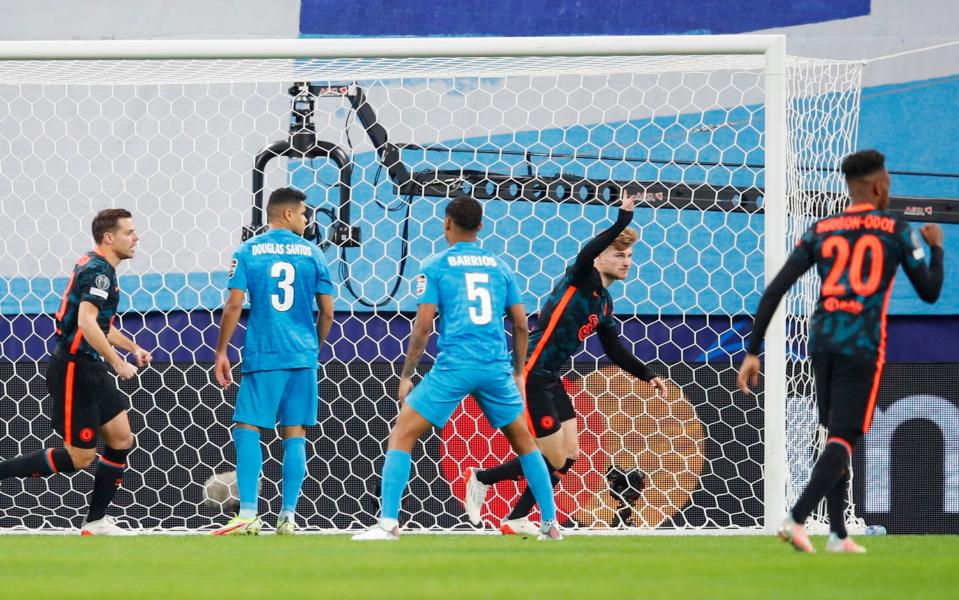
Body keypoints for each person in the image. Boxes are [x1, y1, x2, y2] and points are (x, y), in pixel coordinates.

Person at [738, 149, 944, 553]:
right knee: (845, 437)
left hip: (821, 340)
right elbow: (930, 291)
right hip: (862, 344)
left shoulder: (822, 228)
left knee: (834, 433)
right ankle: (796, 519)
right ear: (881, 185)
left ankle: (838, 532)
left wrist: (752, 348)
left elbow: (776, 288)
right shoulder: (896, 229)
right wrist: (935, 248)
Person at [352, 195, 561, 541]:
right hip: (495, 367)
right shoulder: (500, 266)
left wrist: (407, 374)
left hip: (455, 367)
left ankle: (388, 524)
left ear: (446, 223)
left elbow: (422, 327)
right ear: (480, 227)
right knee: (525, 443)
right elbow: (522, 324)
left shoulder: (434, 265)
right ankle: (550, 525)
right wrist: (519, 371)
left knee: (402, 434)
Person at [464, 193, 668, 535]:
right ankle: (484, 480)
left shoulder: (603, 303)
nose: (626, 262)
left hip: (552, 378)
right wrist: (621, 220)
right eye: (619, 255)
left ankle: (514, 517)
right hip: (531, 373)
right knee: (551, 457)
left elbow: (614, 349)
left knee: (569, 455)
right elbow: (587, 251)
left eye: (630, 256)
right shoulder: (581, 278)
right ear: (600, 259)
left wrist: (647, 375)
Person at [0, 209, 150, 535]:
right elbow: (85, 322)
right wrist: (117, 362)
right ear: (109, 238)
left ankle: (95, 522)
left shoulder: (97, 266)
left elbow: (97, 326)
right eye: (129, 232)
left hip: (89, 366)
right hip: (73, 368)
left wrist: (132, 348)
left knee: (122, 439)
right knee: (81, 458)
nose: (136, 237)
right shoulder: (99, 272)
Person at [211, 187, 334, 536]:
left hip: (265, 353)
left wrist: (222, 351)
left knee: (248, 427)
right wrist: (314, 346)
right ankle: (288, 517)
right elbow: (327, 311)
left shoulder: (248, 251)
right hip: (302, 355)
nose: (308, 220)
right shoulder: (314, 254)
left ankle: (248, 512)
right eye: (305, 213)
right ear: (289, 214)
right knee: (295, 432)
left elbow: (234, 305)